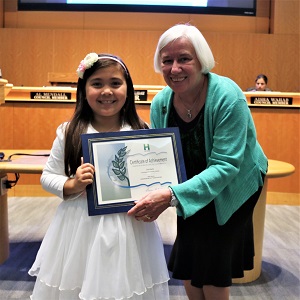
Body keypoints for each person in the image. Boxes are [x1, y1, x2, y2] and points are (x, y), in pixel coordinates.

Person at [128, 24, 268, 300]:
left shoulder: (228, 96)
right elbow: (162, 160)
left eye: (184, 59)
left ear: (201, 60)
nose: (174, 68)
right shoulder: (161, 104)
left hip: (233, 185)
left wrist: (169, 195)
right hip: (189, 187)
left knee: (214, 270)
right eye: (167, 61)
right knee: (190, 264)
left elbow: (226, 165)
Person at [28, 53, 170, 299]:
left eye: (115, 83)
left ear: (128, 89)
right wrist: (72, 184)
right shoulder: (69, 131)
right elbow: (48, 177)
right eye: (97, 84)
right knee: (79, 284)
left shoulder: (141, 130)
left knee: (129, 284)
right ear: (84, 90)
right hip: (79, 226)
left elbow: (155, 175)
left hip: (131, 227)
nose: (107, 91)